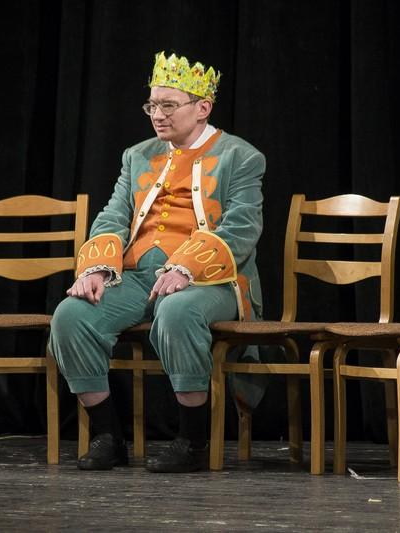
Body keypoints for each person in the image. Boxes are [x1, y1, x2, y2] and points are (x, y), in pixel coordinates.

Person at [50, 51, 265, 473]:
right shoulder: (138, 155)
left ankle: (193, 441)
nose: (158, 115)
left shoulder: (240, 156)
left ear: (203, 108)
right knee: (71, 315)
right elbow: (113, 215)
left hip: (212, 279)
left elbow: (241, 227)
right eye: (152, 105)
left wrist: (186, 267)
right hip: (136, 275)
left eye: (168, 105)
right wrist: (96, 268)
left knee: (177, 311)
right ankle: (107, 435)